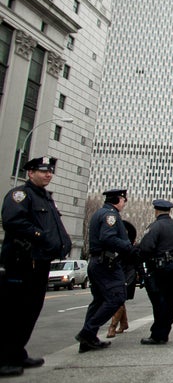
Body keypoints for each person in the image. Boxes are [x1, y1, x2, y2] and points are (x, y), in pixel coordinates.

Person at [0, 157, 71, 377]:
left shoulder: (46, 198)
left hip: (39, 262)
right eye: (43, 171)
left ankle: (17, 352)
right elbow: (13, 221)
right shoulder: (20, 195)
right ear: (30, 173)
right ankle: (4, 358)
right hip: (21, 262)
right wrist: (42, 236)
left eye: (50, 172)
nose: (48, 175)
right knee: (14, 311)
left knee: (30, 310)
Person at [75, 189, 133, 353]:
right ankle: (87, 333)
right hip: (106, 264)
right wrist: (128, 246)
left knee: (99, 300)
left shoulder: (99, 213)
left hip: (97, 262)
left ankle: (88, 339)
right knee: (117, 297)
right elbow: (107, 237)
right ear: (117, 199)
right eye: (124, 200)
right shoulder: (111, 215)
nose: (124, 203)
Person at [137, 199, 173, 345]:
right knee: (170, 299)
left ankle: (157, 334)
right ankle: (165, 332)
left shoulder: (155, 226)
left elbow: (146, 248)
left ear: (156, 211)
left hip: (158, 268)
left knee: (158, 300)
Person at [107, 221, 140, 338]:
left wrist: (142, 277)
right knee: (120, 300)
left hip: (128, 275)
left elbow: (138, 263)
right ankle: (124, 323)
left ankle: (112, 327)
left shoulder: (132, 248)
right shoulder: (115, 247)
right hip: (117, 273)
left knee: (119, 299)